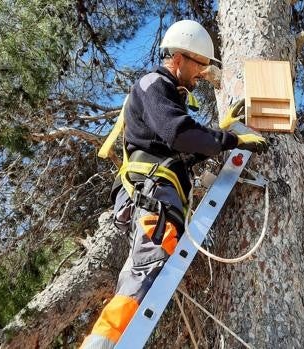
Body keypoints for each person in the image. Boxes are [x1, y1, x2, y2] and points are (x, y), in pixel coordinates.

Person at [81, 20, 268, 348]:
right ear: (179, 57)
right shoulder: (154, 83)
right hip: (153, 198)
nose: (203, 74)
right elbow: (179, 134)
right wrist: (229, 139)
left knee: (142, 278)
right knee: (141, 278)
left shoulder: (164, 97)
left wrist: (219, 134)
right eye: (201, 65)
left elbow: (179, 149)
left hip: (155, 195)